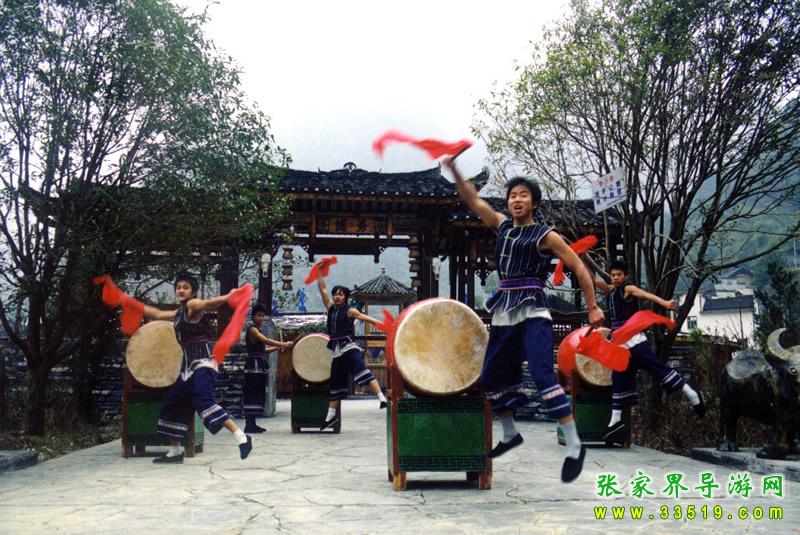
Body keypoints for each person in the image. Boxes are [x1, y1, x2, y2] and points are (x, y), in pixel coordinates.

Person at [444, 156, 604, 483]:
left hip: (532, 308)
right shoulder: (502, 225)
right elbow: (473, 200)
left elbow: (578, 266)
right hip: (505, 310)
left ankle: (574, 445)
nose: (517, 200)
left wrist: (592, 306)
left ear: (534, 203)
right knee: (491, 377)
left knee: (543, 375)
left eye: (523, 195)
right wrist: (455, 169)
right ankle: (510, 433)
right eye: (513, 195)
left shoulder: (546, 235)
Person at [142, 273, 253, 464]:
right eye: (178, 287)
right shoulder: (179, 312)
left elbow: (209, 304)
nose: (181, 290)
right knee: (174, 404)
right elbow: (158, 315)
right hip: (188, 367)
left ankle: (242, 437)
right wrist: (129, 303)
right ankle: (175, 452)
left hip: (202, 362)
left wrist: (229, 296)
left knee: (204, 401)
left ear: (193, 292)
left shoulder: (193, 305)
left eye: (185, 287)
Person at [592, 260, 705, 444]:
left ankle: (693, 394)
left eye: (619, 274)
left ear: (625, 276)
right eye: (613, 275)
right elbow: (593, 279)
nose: (616, 278)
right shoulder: (611, 290)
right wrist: (580, 258)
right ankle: (615, 422)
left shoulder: (628, 288)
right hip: (619, 342)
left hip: (634, 339)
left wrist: (665, 303)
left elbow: (645, 295)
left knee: (656, 368)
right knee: (618, 378)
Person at [315, 271, 388, 430]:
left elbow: (367, 319)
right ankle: (329, 418)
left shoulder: (350, 311)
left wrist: (384, 326)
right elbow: (323, 290)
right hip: (336, 352)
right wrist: (319, 273)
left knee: (364, 372)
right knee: (335, 385)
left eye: (340, 295)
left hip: (349, 349)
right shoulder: (330, 308)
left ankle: (382, 399)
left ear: (346, 297)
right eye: (336, 294)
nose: (337, 297)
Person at [243, 303, 293, 433]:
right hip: (253, 365)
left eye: (263, 316)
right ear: (253, 316)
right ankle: (249, 425)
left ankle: (252, 424)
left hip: (259, 364)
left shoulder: (257, 330)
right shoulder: (253, 330)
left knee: (257, 392)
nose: (261, 318)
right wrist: (283, 344)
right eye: (259, 315)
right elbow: (265, 340)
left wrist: (277, 347)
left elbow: (263, 350)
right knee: (252, 393)